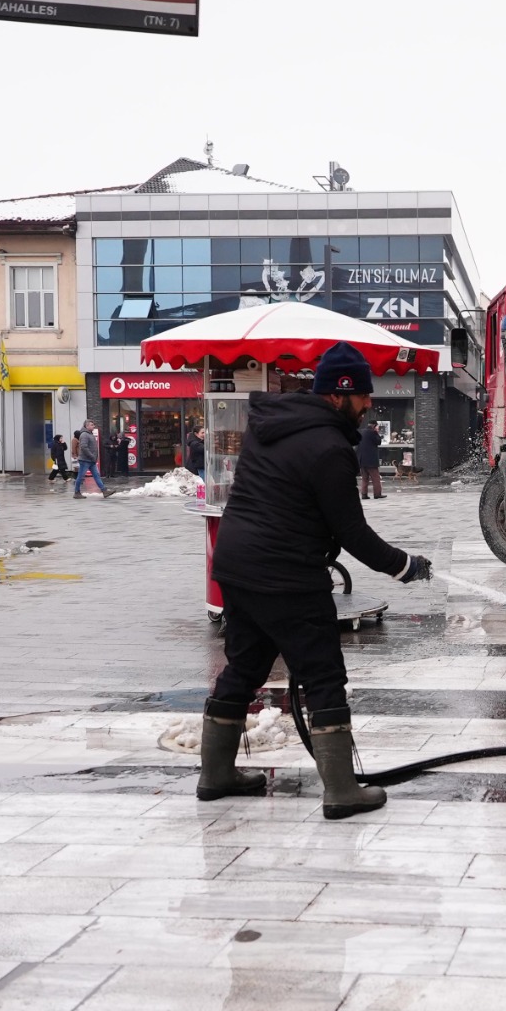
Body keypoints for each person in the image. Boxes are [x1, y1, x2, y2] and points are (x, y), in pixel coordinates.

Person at [202, 342, 432, 818]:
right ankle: (342, 791)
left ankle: (216, 774)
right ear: (338, 394)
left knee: (244, 666)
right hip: (286, 573)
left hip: (237, 566)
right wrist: (403, 566)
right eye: (362, 395)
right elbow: (352, 532)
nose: (368, 404)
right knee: (323, 675)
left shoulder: (269, 427)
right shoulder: (329, 447)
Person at [74, 419, 107, 498]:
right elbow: (84, 447)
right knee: (80, 476)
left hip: (91, 460)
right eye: (92, 425)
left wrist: (93, 457)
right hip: (85, 460)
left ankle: (104, 491)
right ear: (87, 426)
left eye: (93, 425)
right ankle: (77, 492)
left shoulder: (90, 434)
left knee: (96, 475)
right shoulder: (84, 435)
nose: (93, 426)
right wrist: (91, 456)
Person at [357, 419, 384, 499]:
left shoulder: (362, 432)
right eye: (376, 426)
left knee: (364, 479)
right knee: (376, 478)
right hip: (371, 461)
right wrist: (377, 433)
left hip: (362, 460)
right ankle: (377, 494)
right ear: (374, 426)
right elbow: (378, 442)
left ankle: (364, 494)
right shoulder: (373, 432)